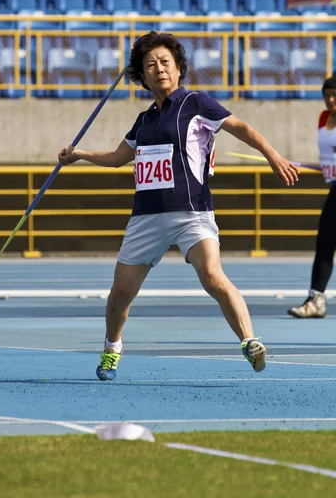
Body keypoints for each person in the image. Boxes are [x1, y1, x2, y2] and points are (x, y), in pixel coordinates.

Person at [58, 32, 299, 381]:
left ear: (178, 69)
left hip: (191, 213)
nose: (159, 70)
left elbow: (241, 127)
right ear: (142, 77)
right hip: (146, 217)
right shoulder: (144, 121)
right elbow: (116, 158)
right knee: (119, 295)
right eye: (150, 65)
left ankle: (249, 341)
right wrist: (78, 155)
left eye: (165, 63)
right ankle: (112, 348)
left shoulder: (196, 103)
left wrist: (273, 156)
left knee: (213, 277)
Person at [288, 75, 336, 318]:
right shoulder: (323, 118)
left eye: (334, 95)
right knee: (325, 242)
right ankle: (316, 298)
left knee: (326, 240)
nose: (329, 100)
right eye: (326, 95)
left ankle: (315, 298)